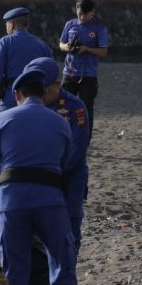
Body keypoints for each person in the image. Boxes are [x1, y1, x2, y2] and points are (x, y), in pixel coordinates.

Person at [0, 69, 81, 285]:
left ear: (16, 94)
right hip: (50, 200)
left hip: (12, 202)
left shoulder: (2, 121)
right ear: (44, 93)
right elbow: (67, 163)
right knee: (61, 259)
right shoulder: (59, 122)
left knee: (14, 266)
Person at [25, 58, 91, 258]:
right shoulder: (29, 106)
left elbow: (78, 148)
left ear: (58, 83)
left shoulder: (74, 107)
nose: (42, 96)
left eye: (46, 90)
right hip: (38, 180)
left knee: (69, 229)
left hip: (69, 178)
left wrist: (51, 172)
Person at [0, 7, 53, 115]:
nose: (6, 27)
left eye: (6, 24)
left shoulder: (5, 42)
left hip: (14, 95)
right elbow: (51, 73)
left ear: (12, 24)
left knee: (2, 127)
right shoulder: (43, 45)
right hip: (38, 96)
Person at [59, 0, 109, 139]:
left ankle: (84, 140)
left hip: (88, 75)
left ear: (91, 12)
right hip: (69, 72)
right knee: (63, 106)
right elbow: (60, 44)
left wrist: (86, 49)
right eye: (78, 13)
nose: (80, 17)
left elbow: (103, 52)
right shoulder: (70, 24)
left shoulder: (99, 28)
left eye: (83, 14)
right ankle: (65, 136)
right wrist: (66, 47)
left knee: (86, 109)